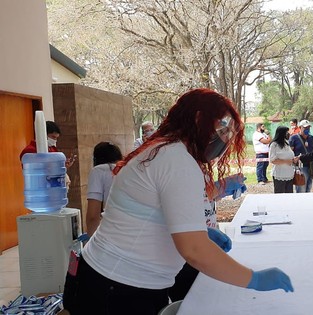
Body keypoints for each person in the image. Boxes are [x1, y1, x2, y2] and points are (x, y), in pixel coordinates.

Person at [63, 88, 293, 315]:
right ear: (198, 119)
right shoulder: (176, 159)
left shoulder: (166, 151)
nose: (224, 140)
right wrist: (253, 279)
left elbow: (156, 213)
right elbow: (194, 250)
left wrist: (197, 230)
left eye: (229, 133)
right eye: (222, 128)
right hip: (117, 287)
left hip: (113, 281)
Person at [20, 120, 76, 189]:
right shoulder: (29, 151)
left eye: (56, 138)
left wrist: (63, 166)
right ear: (43, 134)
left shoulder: (52, 149)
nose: (55, 140)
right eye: (53, 137)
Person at [86, 142, 123, 236]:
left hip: (114, 231)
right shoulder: (127, 169)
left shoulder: (99, 170)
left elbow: (93, 215)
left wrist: (91, 241)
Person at [289, 119, 313, 193]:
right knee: (301, 189)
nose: (307, 129)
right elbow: (290, 152)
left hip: (311, 166)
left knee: (309, 188)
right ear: (300, 127)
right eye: (305, 127)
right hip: (300, 167)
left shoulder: (311, 138)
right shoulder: (293, 138)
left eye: (308, 127)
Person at [269, 126, 299, 193]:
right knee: (280, 195)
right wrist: (286, 161)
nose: (288, 134)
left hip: (289, 174)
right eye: (287, 132)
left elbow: (289, 155)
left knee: (289, 196)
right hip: (279, 174)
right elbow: (272, 160)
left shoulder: (287, 143)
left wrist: (294, 159)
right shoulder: (274, 145)